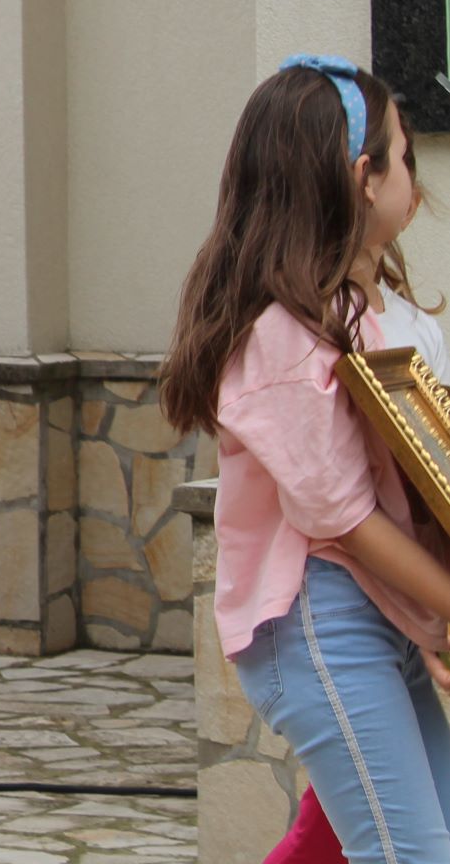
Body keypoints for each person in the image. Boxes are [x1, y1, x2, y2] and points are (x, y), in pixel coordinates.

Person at [161, 58, 450, 864]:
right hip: (319, 620)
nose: (415, 178)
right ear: (361, 178)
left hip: (383, 612)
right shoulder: (284, 338)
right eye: (402, 155)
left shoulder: (383, 314)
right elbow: (342, 518)